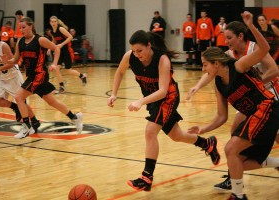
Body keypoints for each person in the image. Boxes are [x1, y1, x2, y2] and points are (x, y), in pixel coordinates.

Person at [107, 30, 221, 192]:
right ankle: (207, 144)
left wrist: (140, 101)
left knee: (150, 132)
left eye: (140, 50)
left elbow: (162, 91)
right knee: (177, 136)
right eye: (134, 51)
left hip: (168, 98)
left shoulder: (162, 60)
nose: (137, 54)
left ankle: (146, 177)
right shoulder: (130, 57)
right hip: (153, 100)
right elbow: (119, 72)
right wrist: (113, 94)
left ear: (149, 45)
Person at [188, 11, 279, 200]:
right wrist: (203, 129)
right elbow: (222, 117)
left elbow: (264, 51)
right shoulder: (219, 83)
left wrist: (252, 26)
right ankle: (272, 164)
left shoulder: (238, 65)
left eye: (205, 65)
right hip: (253, 112)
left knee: (231, 148)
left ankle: (238, 195)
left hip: (267, 106)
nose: (203, 70)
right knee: (238, 160)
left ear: (215, 63)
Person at [4, 17, 83, 139]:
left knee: (18, 97)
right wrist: (3, 62)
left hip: (40, 74)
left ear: (31, 26)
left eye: (24, 27)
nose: (21, 29)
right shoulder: (20, 42)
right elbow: (15, 59)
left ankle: (26, 126)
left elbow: (56, 48)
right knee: (52, 102)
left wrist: (54, 63)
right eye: (20, 28)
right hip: (31, 75)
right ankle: (75, 117)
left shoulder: (40, 40)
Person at [0, 28, 40, 132]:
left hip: (13, 77)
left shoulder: (4, 46)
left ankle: (34, 120)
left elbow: (12, 63)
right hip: (1, 78)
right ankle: (15, 108)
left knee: (21, 101)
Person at [49, 16, 87, 94]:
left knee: (68, 70)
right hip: (59, 52)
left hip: (67, 51)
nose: (53, 23)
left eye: (55, 21)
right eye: (52, 22)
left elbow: (70, 37)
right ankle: (62, 87)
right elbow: (53, 40)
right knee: (56, 68)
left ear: (57, 22)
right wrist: (49, 48)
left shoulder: (61, 29)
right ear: (50, 22)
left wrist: (62, 44)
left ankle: (82, 76)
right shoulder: (52, 31)